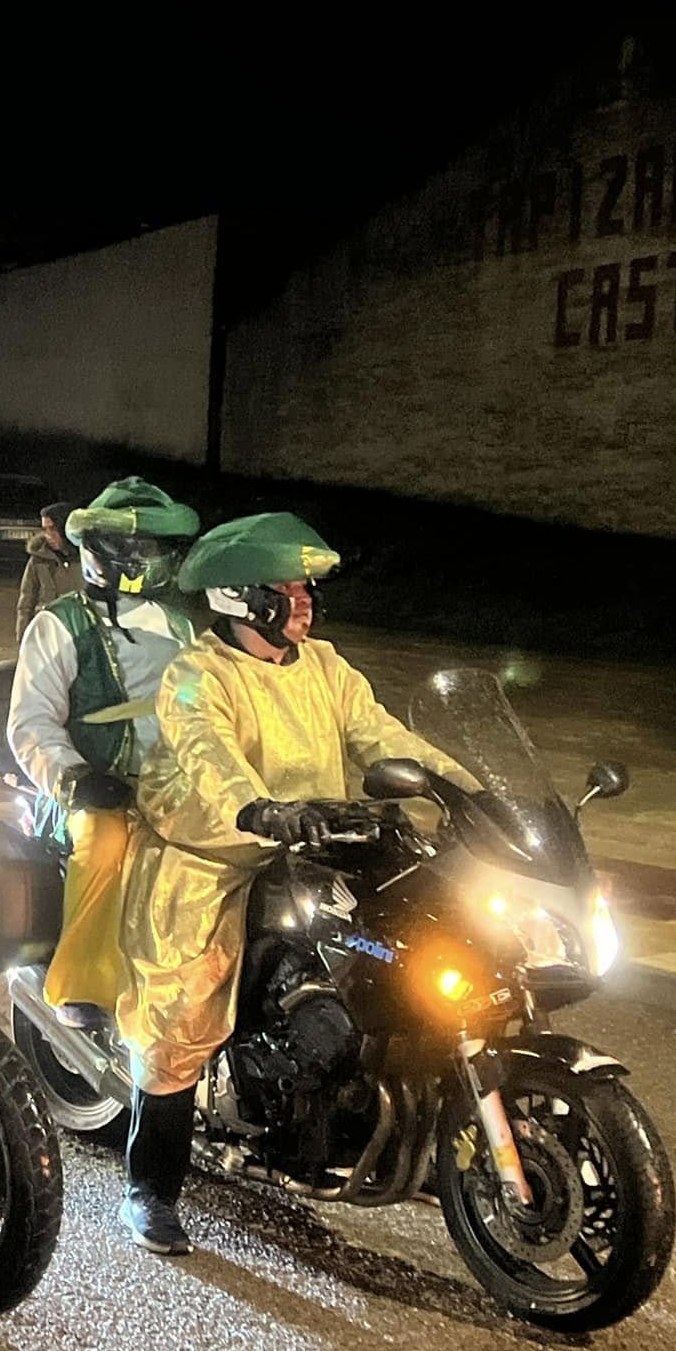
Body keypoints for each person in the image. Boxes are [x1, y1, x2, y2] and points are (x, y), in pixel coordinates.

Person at [113, 513, 472, 1256]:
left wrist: (466, 790)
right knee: (182, 1016)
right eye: (290, 588)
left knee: (417, 959)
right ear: (244, 599)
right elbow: (207, 753)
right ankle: (149, 1189)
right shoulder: (196, 676)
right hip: (214, 859)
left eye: (306, 586)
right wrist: (259, 809)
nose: (306, 600)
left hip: (319, 848)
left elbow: (383, 736)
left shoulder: (326, 669)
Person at [6, 479, 198, 1030]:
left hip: (169, 789)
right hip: (89, 793)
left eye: (150, 549)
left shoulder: (179, 627)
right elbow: (30, 722)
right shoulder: (58, 624)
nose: (141, 559)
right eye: (130, 549)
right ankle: (83, 987)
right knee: (105, 843)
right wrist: (76, 780)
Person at [14, 501, 79, 640]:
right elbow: (26, 602)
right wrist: (24, 638)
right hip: (44, 634)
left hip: (76, 635)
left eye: (53, 529)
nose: (48, 535)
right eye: (45, 529)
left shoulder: (87, 559)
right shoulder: (38, 559)